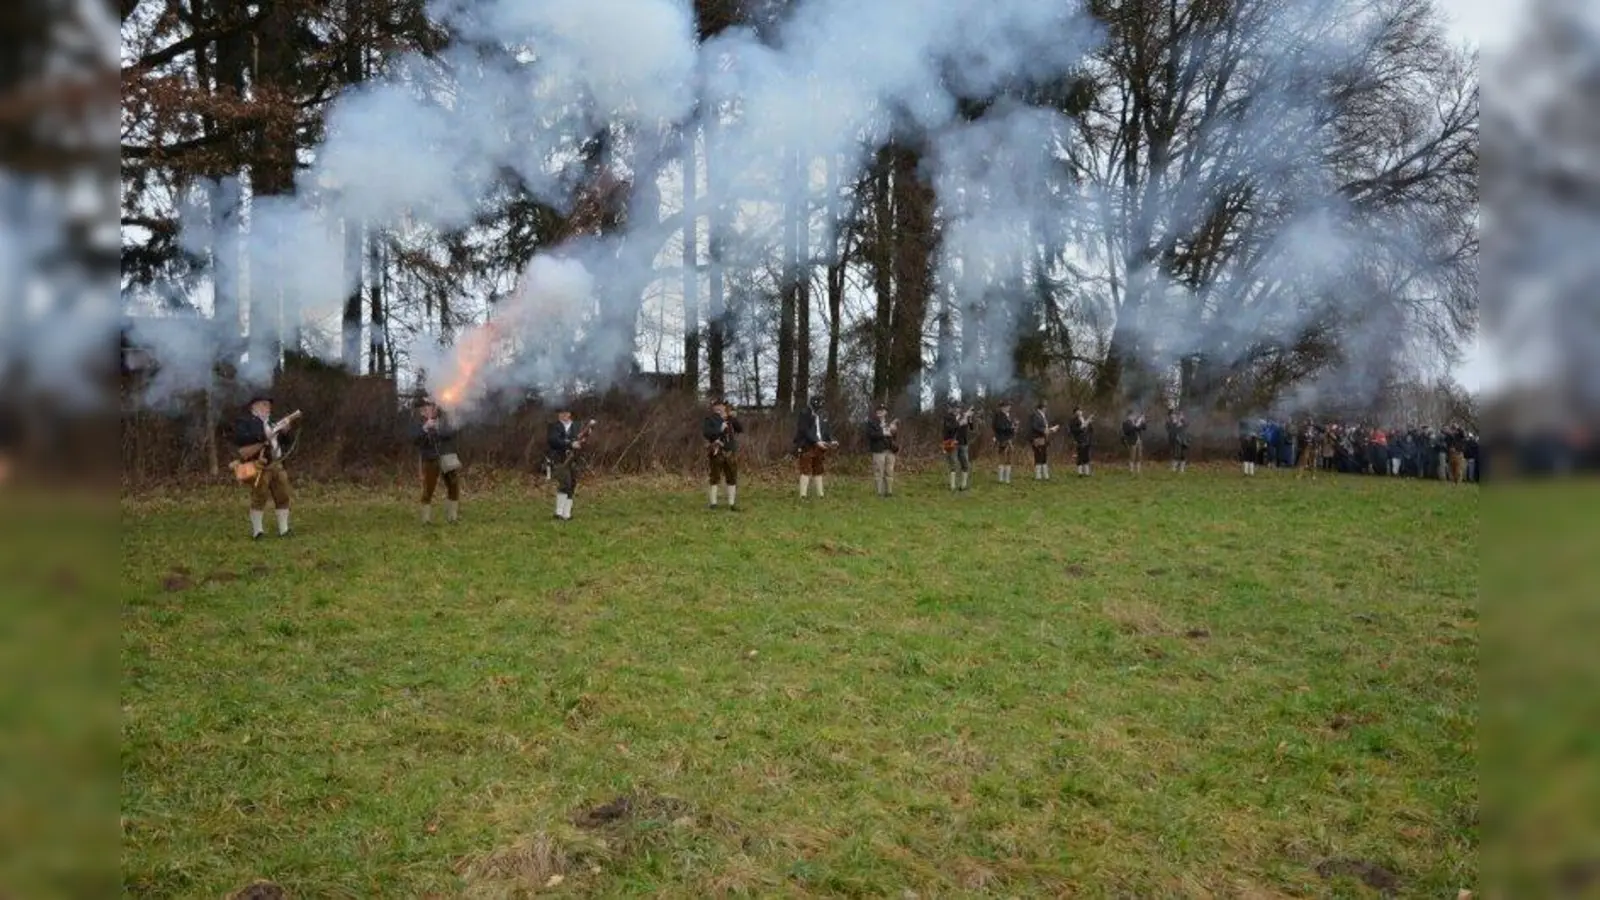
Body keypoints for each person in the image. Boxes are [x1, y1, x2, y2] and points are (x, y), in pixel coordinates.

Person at [231, 394, 299, 539]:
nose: (267, 407)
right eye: (263, 404)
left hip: (277, 463)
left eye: (268, 405)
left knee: (283, 495)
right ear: (254, 406)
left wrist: (286, 431)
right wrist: (264, 435)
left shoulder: (273, 421)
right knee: (259, 497)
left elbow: (286, 441)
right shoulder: (245, 421)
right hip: (259, 464)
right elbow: (241, 438)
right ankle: (258, 531)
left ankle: (284, 530)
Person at [412, 396, 461, 524]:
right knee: (429, 488)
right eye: (428, 407)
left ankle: (452, 517)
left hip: (447, 457)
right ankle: (426, 519)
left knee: (453, 485)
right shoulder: (418, 423)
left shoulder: (445, 419)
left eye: (432, 406)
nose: (432, 408)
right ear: (422, 411)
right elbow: (415, 440)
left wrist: (437, 429)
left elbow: (451, 432)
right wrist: (425, 428)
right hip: (430, 459)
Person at [546, 405, 591, 521]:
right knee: (565, 483)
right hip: (560, 459)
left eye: (566, 413)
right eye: (561, 413)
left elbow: (580, 440)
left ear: (569, 414)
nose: (563, 415)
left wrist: (584, 438)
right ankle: (558, 513)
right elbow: (553, 441)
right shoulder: (554, 426)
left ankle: (567, 514)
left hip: (574, 459)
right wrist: (570, 444)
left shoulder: (577, 426)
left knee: (572, 485)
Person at [703, 399, 744, 510]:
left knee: (732, 477)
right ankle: (713, 503)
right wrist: (719, 430)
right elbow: (706, 433)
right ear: (713, 408)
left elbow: (740, 429)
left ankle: (731, 504)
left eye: (721, 406)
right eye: (716, 406)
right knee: (715, 476)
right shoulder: (710, 419)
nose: (719, 408)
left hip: (730, 451)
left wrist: (733, 417)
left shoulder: (730, 419)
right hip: (717, 451)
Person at [793, 396, 837, 499]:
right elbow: (804, 430)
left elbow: (826, 430)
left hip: (820, 446)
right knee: (806, 470)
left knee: (819, 470)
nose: (820, 407)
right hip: (807, 445)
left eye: (821, 405)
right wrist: (816, 441)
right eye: (818, 405)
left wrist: (831, 440)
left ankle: (820, 494)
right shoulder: (804, 413)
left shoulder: (823, 414)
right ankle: (803, 495)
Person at [865, 404, 899, 497]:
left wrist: (893, 430)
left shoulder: (890, 422)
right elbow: (870, 435)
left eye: (882, 410)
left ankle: (889, 492)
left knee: (889, 471)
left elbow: (895, 437)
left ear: (886, 412)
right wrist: (883, 432)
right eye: (878, 410)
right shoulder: (871, 422)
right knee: (878, 471)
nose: (880, 411)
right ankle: (879, 492)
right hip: (878, 450)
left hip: (890, 450)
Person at [942, 402, 975, 492]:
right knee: (953, 464)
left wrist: (970, 418)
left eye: (959, 408)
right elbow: (951, 428)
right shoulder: (948, 418)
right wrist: (962, 420)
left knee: (965, 464)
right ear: (952, 409)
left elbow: (972, 428)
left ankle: (963, 485)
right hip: (952, 443)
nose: (957, 409)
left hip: (963, 443)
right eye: (955, 408)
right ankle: (952, 486)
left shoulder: (963, 416)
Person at [1028, 401, 1059, 480]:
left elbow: (1043, 427)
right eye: (1045, 407)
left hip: (1044, 438)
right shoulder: (1035, 415)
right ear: (1042, 407)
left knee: (1044, 456)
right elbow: (1034, 426)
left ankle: (1045, 475)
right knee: (1038, 456)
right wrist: (1044, 430)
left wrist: (1051, 430)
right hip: (1037, 438)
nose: (1046, 408)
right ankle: (1038, 475)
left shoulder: (1043, 416)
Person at [991, 400, 1018, 484]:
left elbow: (1009, 427)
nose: (1009, 407)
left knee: (1009, 458)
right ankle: (1001, 478)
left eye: (1009, 406)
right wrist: (1011, 427)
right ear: (1002, 407)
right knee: (1002, 458)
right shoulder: (998, 415)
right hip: (1002, 438)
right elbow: (999, 427)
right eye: (1007, 406)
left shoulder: (1008, 415)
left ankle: (1007, 478)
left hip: (1009, 438)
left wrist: (1014, 426)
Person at [1121, 408, 1147, 474]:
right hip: (1132, 441)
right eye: (1132, 415)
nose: (1134, 416)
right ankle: (1131, 470)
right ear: (1129, 416)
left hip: (1139, 440)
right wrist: (1137, 423)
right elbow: (1129, 430)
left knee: (1139, 456)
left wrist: (1143, 421)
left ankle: (1138, 470)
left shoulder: (1136, 422)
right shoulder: (1126, 423)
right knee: (1132, 456)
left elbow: (1144, 428)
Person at [1070, 407, 1094, 476]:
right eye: (1078, 411)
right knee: (1080, 456)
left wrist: (1089, 422)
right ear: (1075, 412)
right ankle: (1080, 472)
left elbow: (1090, 429)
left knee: (1086, 456)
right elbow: (1074, 430)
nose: (1080, 412)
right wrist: (1082, 427)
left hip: (1087, 439)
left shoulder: (1083, 418)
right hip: (1079, 439)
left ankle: (1087, 472)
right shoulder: (1073, 420)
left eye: (1080, 410)